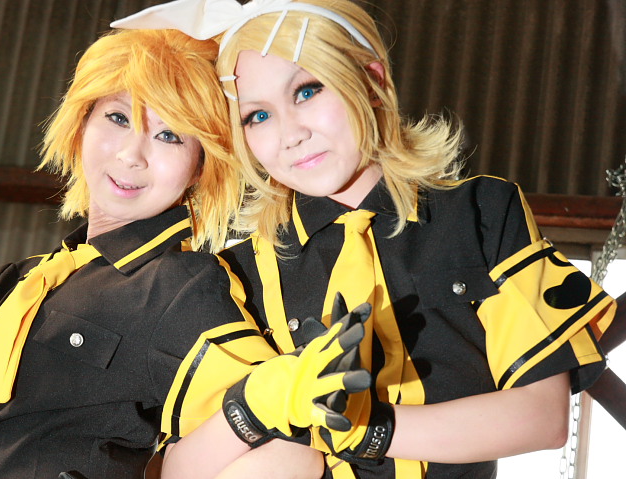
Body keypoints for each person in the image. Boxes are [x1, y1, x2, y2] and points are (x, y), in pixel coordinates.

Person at [111, 0, 617, 477]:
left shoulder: (481, 213)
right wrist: (257, 404)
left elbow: (542, 416)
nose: (290, 134)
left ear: (372, 81)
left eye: (307, 91)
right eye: (257, 116)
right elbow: (176, 469)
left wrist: (371, 429)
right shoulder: (235, 275)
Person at [0, 27, 368, 479]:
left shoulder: (180, 286)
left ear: (200, 166)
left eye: (169, 136)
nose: (132, 154)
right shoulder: (20, 281)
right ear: (82, 120)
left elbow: (291, 454)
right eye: (118, 117)